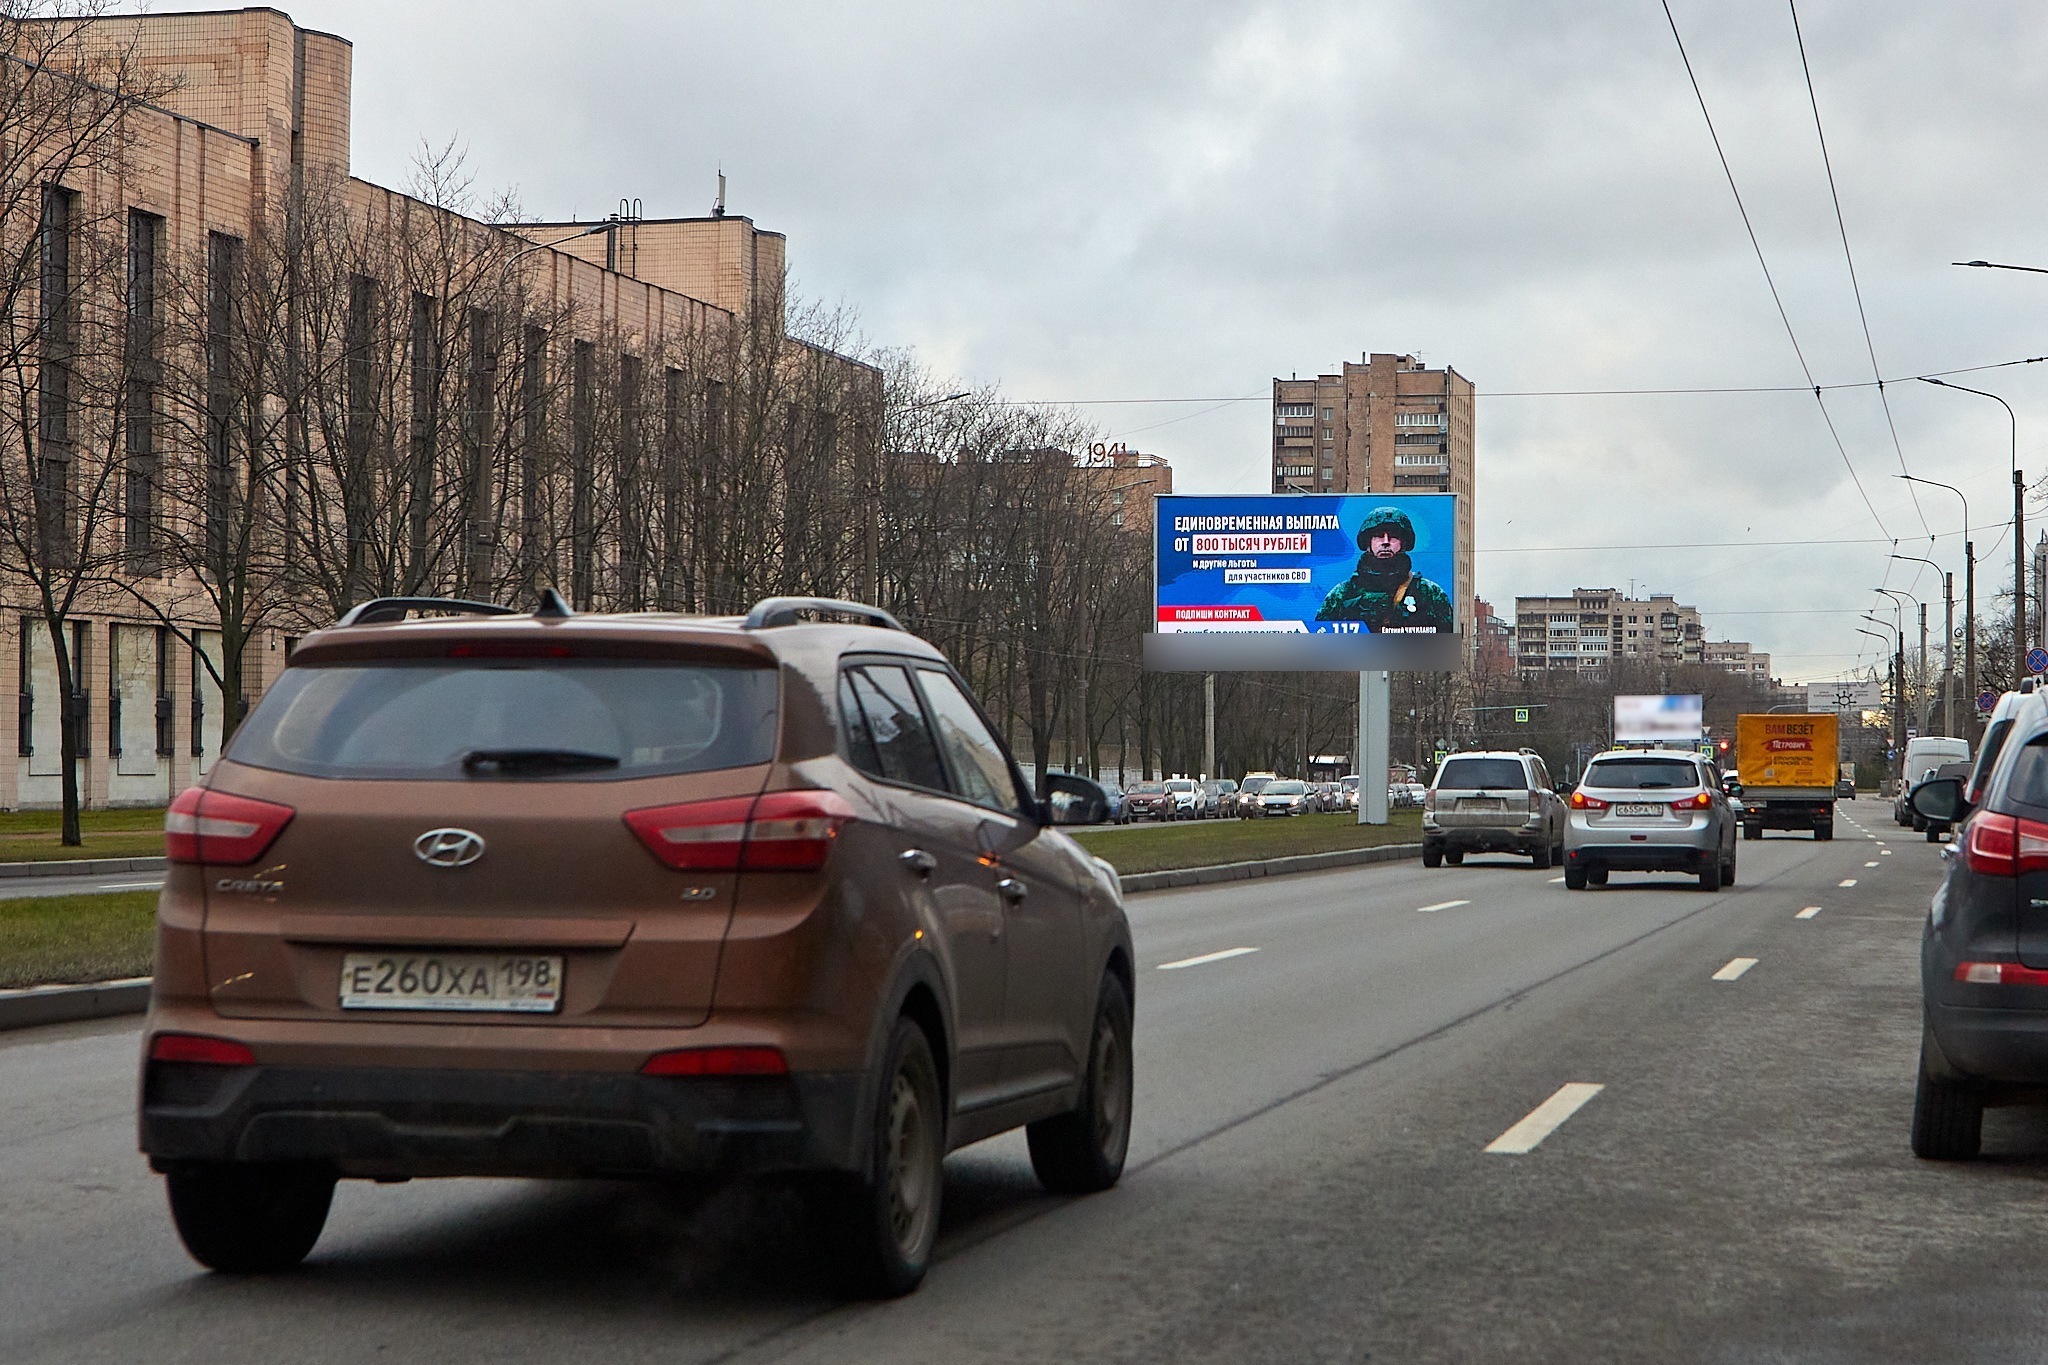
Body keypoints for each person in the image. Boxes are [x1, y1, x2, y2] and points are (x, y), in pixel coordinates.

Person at [1315, 506, 1453, 631]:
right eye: (1378, 536)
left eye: (1393, 536)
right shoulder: (1343, 594)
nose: (1385, 542)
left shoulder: (1429, 594)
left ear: (1402, 543)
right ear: (1369, 543)